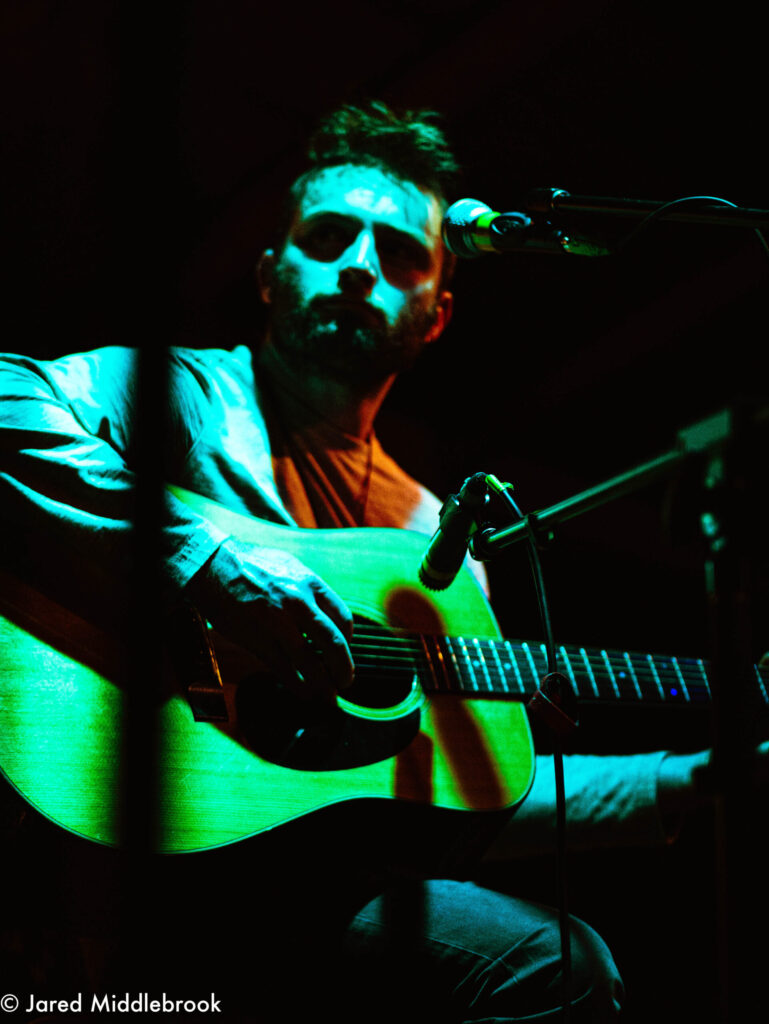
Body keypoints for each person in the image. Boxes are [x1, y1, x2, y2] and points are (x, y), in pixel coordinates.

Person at [0, 99, 751, 1023]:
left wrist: (690, 777)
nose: (359, 266)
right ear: (270, 274)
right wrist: (207, 561)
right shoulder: (185, 398)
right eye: (327, 237)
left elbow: (459, 798)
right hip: (122, 839)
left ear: (437, 313)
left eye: (398, 253)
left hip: (301, 886)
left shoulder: (435, 542)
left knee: (555, 965)